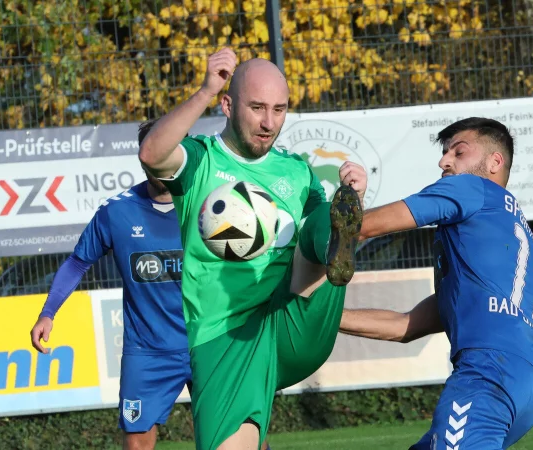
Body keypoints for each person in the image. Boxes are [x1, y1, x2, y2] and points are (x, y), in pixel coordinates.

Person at [138, 47, 367, 450]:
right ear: (227, 104)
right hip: (224, 333)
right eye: (258, 108)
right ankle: (335, 232)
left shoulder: (296, 170)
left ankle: (339, 234)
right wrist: (205, 88)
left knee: (323, 222)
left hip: (291, 318)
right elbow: (152, 154)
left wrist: (351, 196)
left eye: (279, 110)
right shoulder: (200, 160)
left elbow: (316, 221)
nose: (268, 123)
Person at [340, 117, 533, 449]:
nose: (444, 160)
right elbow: (405, 326)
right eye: (444, 151)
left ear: (495, 162)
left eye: (458, 151)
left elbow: (362, 228)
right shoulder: (495, 237)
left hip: (487, 373)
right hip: (529, 380)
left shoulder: (472, 188)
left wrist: (348, 207)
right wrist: (326, 316)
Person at [29, 121, 192, 450]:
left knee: (241, 434)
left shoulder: (212, 208)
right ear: (143, 158)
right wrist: (48, 313)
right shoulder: (116, 212)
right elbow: (77, 262)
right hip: (148, 351)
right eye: (156, 153)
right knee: (136, 441)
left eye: (170, 152)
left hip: (210, 343)